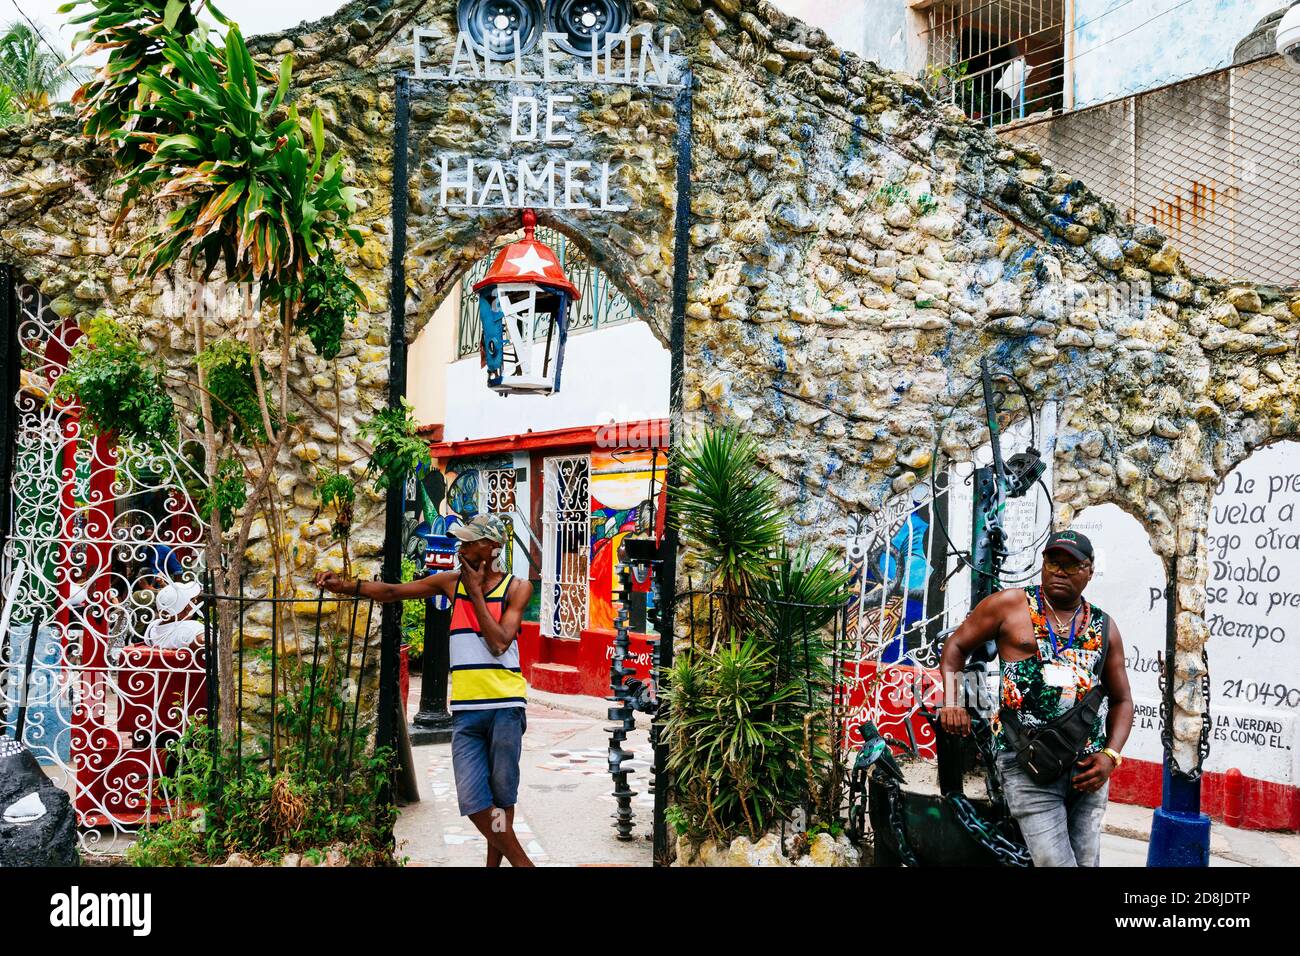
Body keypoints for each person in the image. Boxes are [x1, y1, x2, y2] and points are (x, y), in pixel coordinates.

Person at [315, 513, 535, 867]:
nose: (461, 548)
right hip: (466, 709)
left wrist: (476, 592)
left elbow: (498, 642)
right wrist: (345, 586)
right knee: (474, 799)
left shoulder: (517, 588)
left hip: (506, 706)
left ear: (492, 547)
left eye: (469, 542)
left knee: (501, 797)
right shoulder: (450, 582)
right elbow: (391, 592)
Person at [938, 530, 1134, 867]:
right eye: (1053, 562)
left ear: (1089, 571)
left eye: (1072, 566)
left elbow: (1122, 700)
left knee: (1086, 863)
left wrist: (1110, 756)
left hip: (1085, 769)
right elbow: (956, 647)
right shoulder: (1008, 606)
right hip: (1024, 761)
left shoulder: (1105, 627)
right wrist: (953, 701)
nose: (1060, 571)